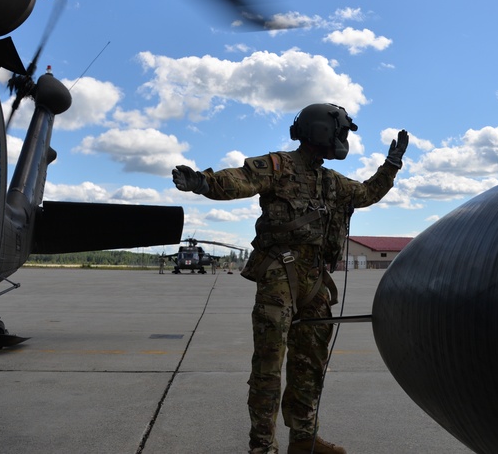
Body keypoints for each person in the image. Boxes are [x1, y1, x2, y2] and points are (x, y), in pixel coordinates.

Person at [172, 103, 408, 454]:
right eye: (341, 132)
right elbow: (241, 179)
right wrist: (205, 183)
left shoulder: (331, 181)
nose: (343, 139)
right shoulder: (278, 166)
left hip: (315, 279)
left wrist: (391, 166)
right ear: (323, 131)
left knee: (309, 362)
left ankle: (303, 440)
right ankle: (262, 446)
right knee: (269, 364)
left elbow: (367, 193)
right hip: (279, 274)